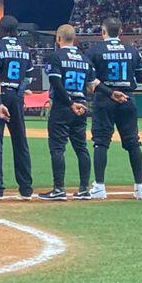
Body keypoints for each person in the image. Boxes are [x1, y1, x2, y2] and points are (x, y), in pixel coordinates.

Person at [84, 17, 142, 198]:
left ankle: (100, 187)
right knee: (133, 143)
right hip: (127, 98)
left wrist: (109, 91)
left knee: (101, 142)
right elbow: (141, 78)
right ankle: (140, 188)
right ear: (120, 31)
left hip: (104, 99)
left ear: (103, 31)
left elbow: (90, 80)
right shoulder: (132, 50)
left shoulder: (94, 51)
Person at [41, 24, 96, 200]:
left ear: (58, 38)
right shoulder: (85, 59)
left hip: (63, 106)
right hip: (81, 106)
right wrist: (81, 102)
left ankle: (59, 189)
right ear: (74, 39)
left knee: (57, 149)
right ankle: (84, 189)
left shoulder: (55, 57)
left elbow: (56, 84)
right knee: (81, 148)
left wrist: (70, 102)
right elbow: (91, 86)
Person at [0, 15, 34, 200]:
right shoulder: (25, 49)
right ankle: (26, 189)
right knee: (20, 142)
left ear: (1, 29)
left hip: (1, 94)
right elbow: (28, 77)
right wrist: (21, 90)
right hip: (17, 96)